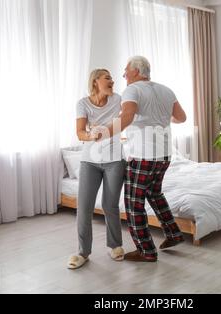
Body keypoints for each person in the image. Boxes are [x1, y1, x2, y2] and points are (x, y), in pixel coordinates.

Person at [94, 56, 187, 262]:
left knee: (134, 203)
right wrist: (160, 118)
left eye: (126, 70)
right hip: (163, 155)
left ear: (136, 71)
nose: (124, 75)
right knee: (155, 194)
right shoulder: (165, 90)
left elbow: (126, 117)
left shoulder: (132, 90)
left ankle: (146, 251)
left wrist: (102, 133)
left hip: (144, 155)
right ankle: (173, 234)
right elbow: (181, 118)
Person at [67, 69, 125, 269]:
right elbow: (80, 133)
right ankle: (83, 252)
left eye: (112, 78)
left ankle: (115, 245)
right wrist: (92, 136)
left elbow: (130, 114)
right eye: (107, 78)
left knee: (110, 205)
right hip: (90, 160)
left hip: (115, 159)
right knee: (84, 208)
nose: (112, 81)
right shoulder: (82, 104)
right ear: (95, 81)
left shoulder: (118, 99)